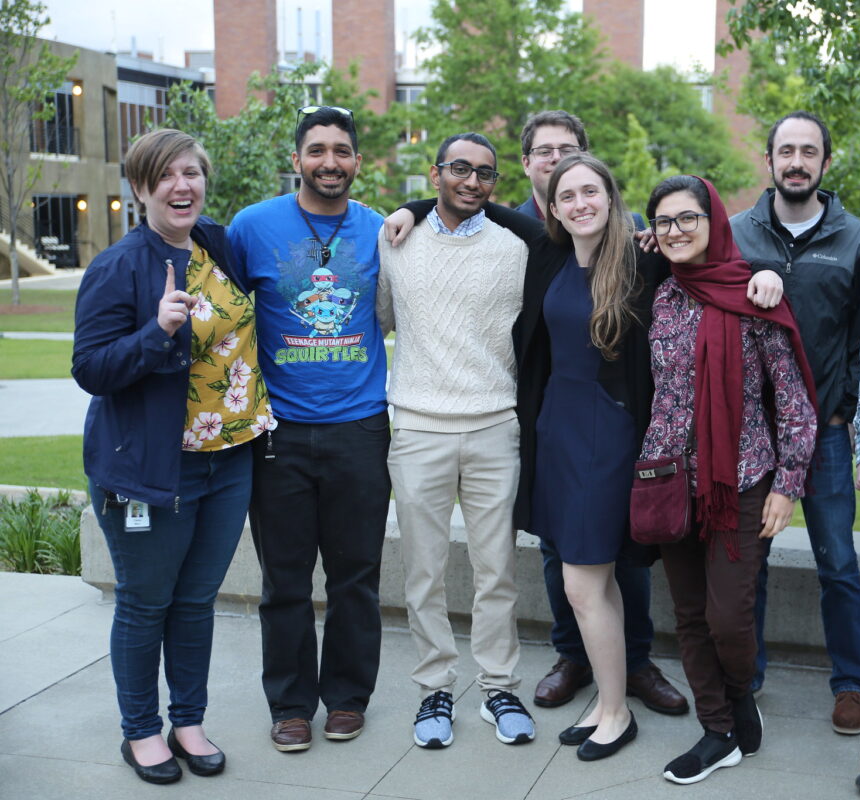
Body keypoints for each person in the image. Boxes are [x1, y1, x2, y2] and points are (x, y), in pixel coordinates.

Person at [73, 128, 271, 784]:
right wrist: (155, 331)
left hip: (229, 459)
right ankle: (140, 733)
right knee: (145, 601)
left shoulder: (216, 244)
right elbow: (91, 368)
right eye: (165, 176)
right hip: (153, 468)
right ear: (139, 188)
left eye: (191, 172)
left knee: (195, 601)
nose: (181, 185)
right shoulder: (120, 266)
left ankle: (188, 721)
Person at [640, 175, 818, 785]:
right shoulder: (660, 299)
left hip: (741, 482)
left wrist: (788, 484)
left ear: (715, 221)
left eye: (688, 218)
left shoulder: (753, 296)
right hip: (668, 483)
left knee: (728, 618)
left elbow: (794, 402)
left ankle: (740, 698)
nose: (676, 231)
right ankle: (718, 729)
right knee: (688, 616)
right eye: (663, 222)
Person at [228, 106, 391, 752]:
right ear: (295, 159)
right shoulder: (251, 228)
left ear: (356, 162)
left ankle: (348, 697)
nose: (330, 161)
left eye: (342, 150)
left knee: (357, 576)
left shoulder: (382, 230)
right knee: (285, 580)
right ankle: (290, 704)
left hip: (360, 428)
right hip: (279, 435)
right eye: (317, 150)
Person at [516, 110, 686, 717]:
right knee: (591, 580)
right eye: (568, 195)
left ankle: (615, 707)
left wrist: (765, 276)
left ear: (612, 198)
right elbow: (471, 204)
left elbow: (714, 264)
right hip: (554, 433)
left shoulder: (644, 260)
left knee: (585, 583)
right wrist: (417, 208)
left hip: (608, 434)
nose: (580, 202)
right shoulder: (546, 257)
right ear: (552, 207)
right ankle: (608, 699)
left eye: (592, 190)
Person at [377, 132, 536, 749]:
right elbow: (384, 316)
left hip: (496, 425)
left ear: (497, 184)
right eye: (460, 169)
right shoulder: (396, 241)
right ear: (436, 172)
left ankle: (499, 687)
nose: (472, 181)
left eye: (486, 173)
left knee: (497, 571)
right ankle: (434, 689)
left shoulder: (518, 248)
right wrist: (407, 212)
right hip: (417, 427)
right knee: (424, 573)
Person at [730, 110, 860, 734]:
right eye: (785, 150)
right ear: (767, 161)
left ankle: (850, 684)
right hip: (751, 433)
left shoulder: (858, 238)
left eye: (808, 151)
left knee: (838, 562)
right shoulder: (735, 234)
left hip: (822, 433)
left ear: (826, 161)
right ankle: (748, 679)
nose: (796, 160)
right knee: (750, 564)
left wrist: (845, 409)